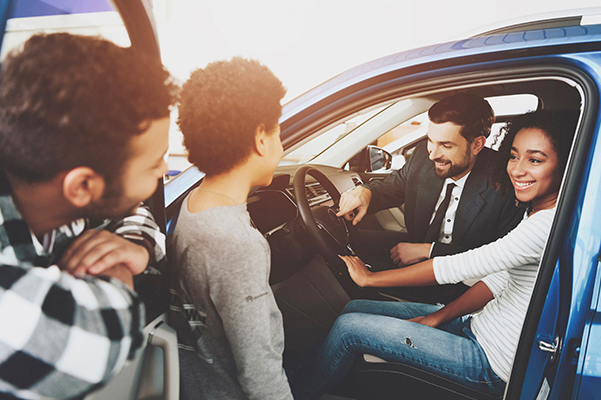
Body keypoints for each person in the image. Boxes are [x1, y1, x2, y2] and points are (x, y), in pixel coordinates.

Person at [289, 110, 577, 399]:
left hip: (491, 365)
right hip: (474, 326)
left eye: (535, 160)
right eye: (514, 156)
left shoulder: (545, 225)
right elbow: (496, 281)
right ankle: (296, 377)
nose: (516, 170)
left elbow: (464, 265)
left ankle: (288, 393)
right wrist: (438, 318)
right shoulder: (540, 212)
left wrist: (371, 279)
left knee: (349, 328)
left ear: (565, 165)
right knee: (354, 310)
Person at [0, 33, 178, 399]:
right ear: (82, 187)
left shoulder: (51, 199)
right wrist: (115, 271)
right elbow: (98, 340)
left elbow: (135, 213)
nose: (164, 169)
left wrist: (133, 245)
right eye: (152, 163)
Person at [169, 57, 292, 400]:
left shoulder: (196, 201)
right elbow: (261, 373)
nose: (281, 146)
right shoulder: (237, 243)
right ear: (261, 140)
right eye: (278, 132)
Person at [336, 93, 524, 303]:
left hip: (464, 286)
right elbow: (394, 186)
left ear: (477, 145)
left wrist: (430, 251)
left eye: (446, 145)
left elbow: (497, 257)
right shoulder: (422, 158)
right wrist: (366, 192)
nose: (433, 154)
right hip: (416, 262)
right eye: (430, 141)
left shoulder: (505, 181)